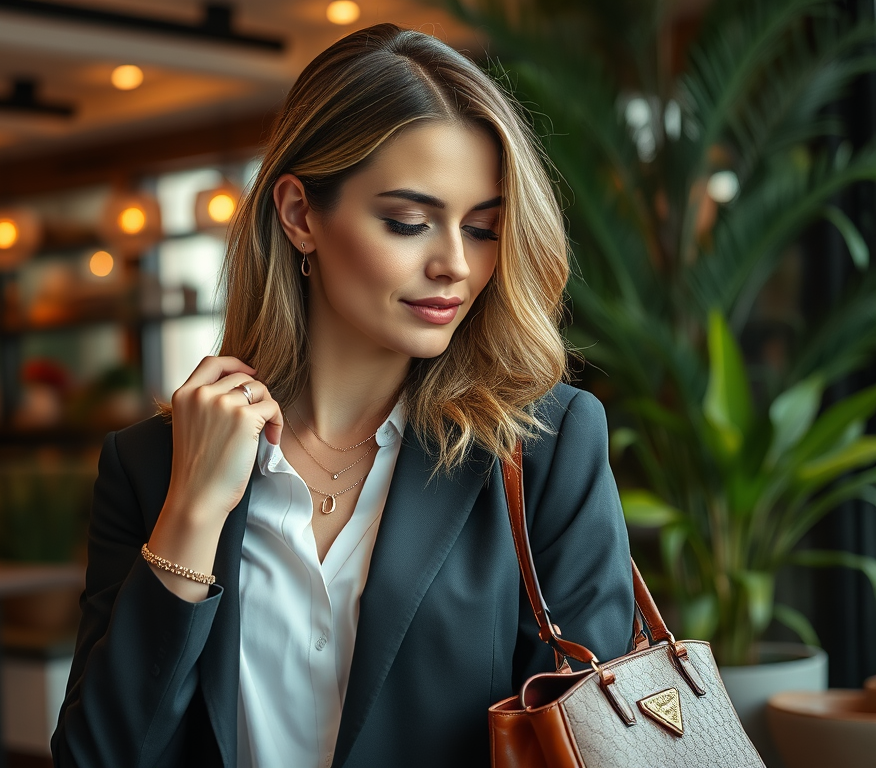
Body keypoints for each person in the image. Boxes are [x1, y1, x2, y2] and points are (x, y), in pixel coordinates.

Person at [52, 23, 634, 768]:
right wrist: (191, 512)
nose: (455, 264)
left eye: (484, 229)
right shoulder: (150, 465)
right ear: (300, 216)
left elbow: (587, 740)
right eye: (408, 222)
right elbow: (97, 759)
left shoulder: (544, 444)